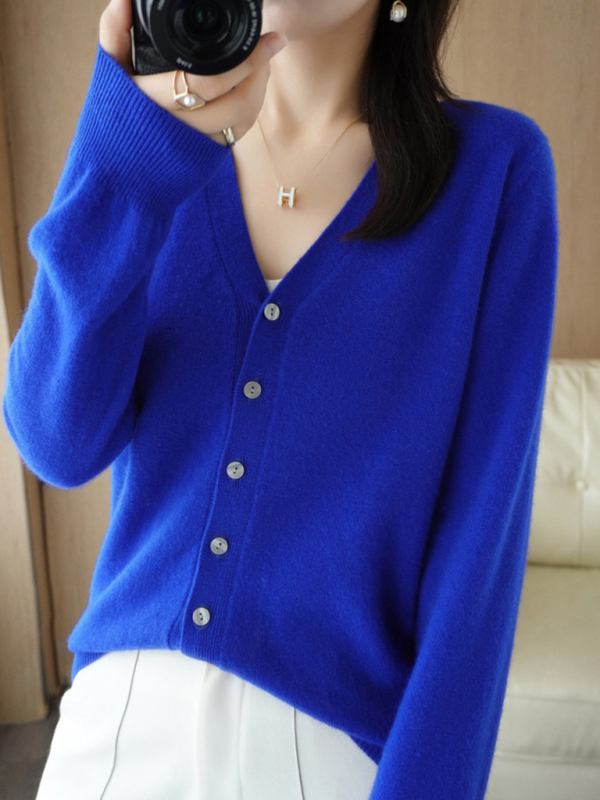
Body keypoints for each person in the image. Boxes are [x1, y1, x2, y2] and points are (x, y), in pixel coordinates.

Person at [2, 0, 559, 798]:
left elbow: (478, 563)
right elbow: (56, 441)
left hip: (322, 753)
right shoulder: (151, 142)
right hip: (115, 728)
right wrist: (125, 157)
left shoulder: (493, 170)